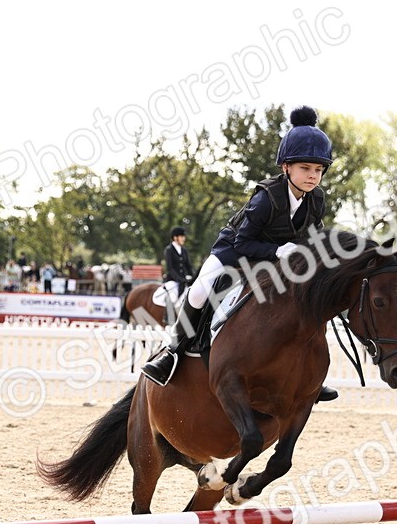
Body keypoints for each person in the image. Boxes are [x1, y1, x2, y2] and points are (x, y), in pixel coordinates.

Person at [141, 105, 339, 402]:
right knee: (198, 291)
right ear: (286, 167)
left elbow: (313, 235)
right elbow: (242, 243)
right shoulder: (265, 198)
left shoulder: (316, 199)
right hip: (233, 251)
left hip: (276, 260)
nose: (313, 176)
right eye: (305, 169)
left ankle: (305, 373)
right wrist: (278, 250)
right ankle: (172, 353)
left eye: (318, 170)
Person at [162, 226, 195, 306]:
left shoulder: (184, 250)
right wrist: (180, 279)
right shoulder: (169, 250)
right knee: (172, 298)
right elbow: (170, 268)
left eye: (184, 236)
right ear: (175, 237)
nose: (184, 238)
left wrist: (195, 277)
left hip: (183, 280)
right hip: (172, 280)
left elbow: (188, 266)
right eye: (182, 237)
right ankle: (167, 316)